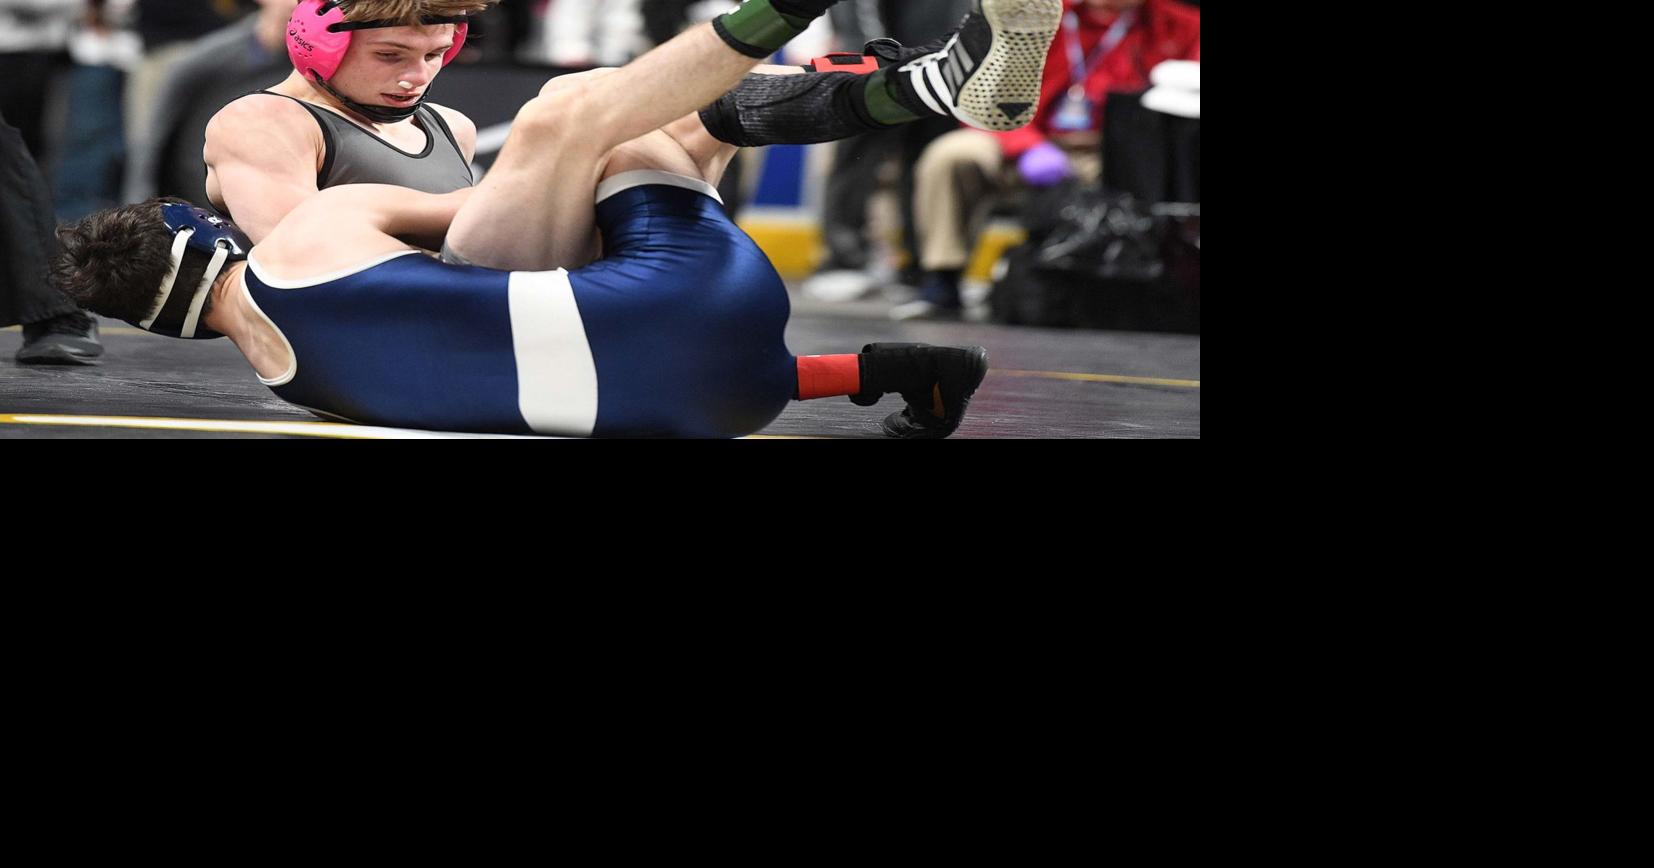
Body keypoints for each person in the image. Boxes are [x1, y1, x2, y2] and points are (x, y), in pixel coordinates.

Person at [51, 0, 1061, 438]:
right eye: (390, 56)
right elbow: (320, 255)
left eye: (431, 52)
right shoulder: (263, 125)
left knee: (653, 132)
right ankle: (875, 68)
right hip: (543, 281)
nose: (416, 76)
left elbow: (480, 358)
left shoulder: (321, 388)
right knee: (576, 117)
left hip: (688, 376)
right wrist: (546, 159)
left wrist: (858, 375)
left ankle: (923, 86)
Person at [896, 0, 1198, 320]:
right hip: (1025, 137)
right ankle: (942, 280)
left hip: (1111, 149)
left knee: (1141, 177)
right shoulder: (1034, 18)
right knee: (951, 156)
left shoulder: (1182, 26)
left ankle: (1113, 290)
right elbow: (984, 96)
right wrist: (1025, 146)